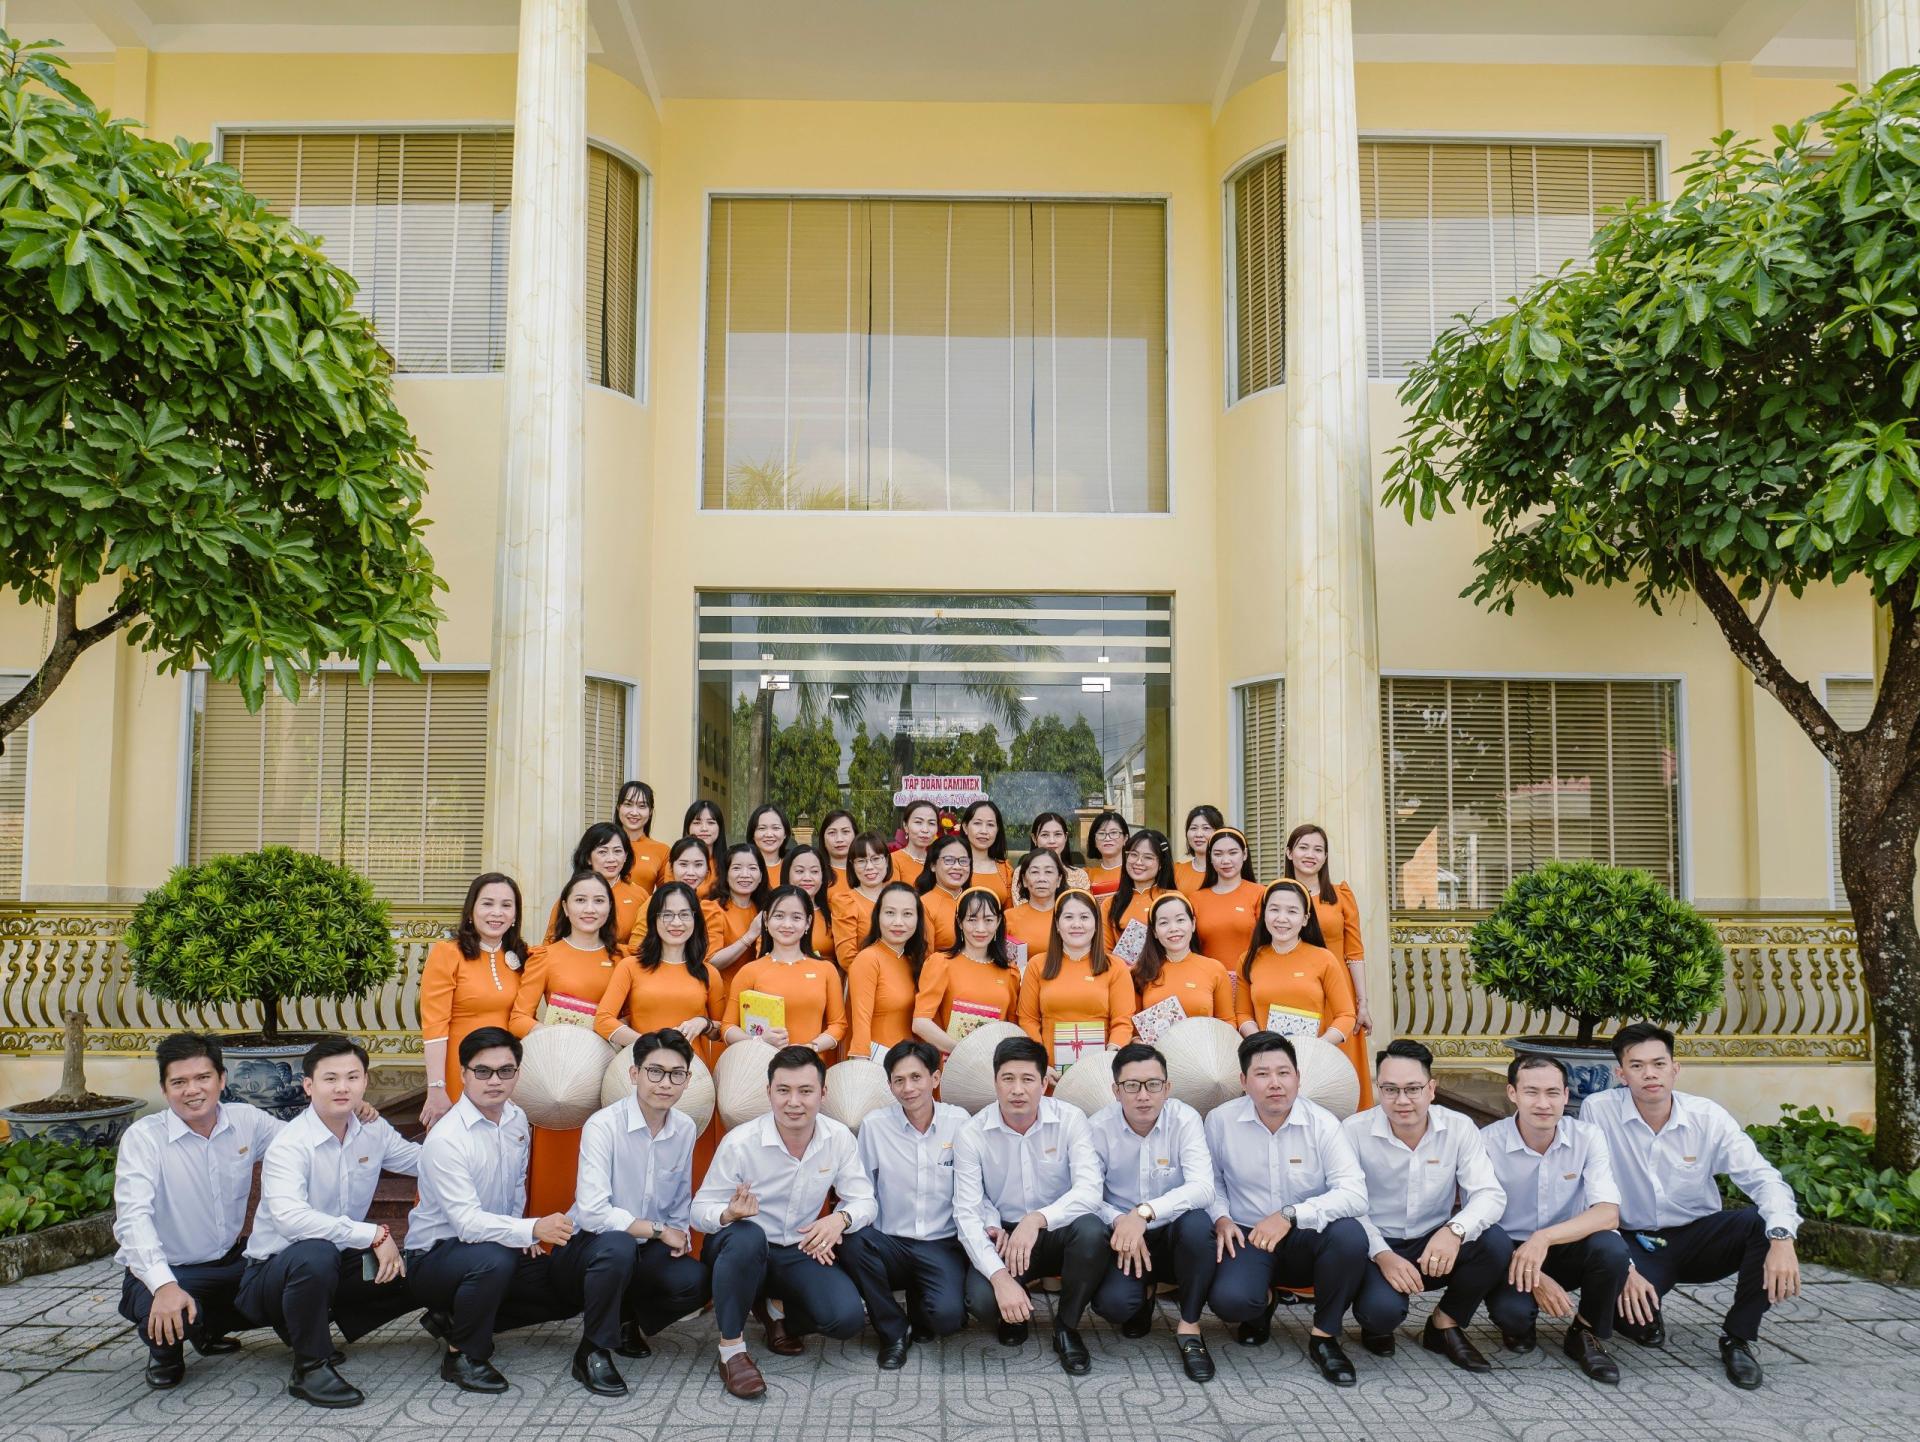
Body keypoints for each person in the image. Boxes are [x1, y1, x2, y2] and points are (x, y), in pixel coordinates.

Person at [1584, 1022, 1803, 1390]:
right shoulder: (1599, 1110)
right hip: (1637, 1240)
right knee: (1633, 1322)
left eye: (1658, 1064)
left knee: (1762, 1223)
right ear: (1621, 1074)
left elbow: (1764, 1179)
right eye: (1637, 1066)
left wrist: (1782, 1239)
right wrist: (1626, 1268)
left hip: (1700, 1238)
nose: (1649, 1074)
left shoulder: (1707, 1116)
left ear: (1675, 1068)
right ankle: (1647, 1311)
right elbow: (1593, 1193)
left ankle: (1738, 1338)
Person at [237, 1037, 423, 1408]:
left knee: (417, 1268)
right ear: (309, 1086)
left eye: (352, 1077)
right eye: (330, 1079)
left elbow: (425, 1163)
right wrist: (373, 1233)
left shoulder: (372, 1130)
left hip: (335, 1263)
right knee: (315, 1253)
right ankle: (310, 1368)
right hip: (273, 1274)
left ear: (365, 1082)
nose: (342, 1088)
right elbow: (291, 1220)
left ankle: (312, 1326)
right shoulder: (290, 1144)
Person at [690, 1045, 878, 1400]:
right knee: (746, 1236)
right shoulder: (741, 1142)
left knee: (846, 1319)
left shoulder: (838, 1137)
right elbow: (699, 1211)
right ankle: (731, 1351)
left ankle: (775, 1313)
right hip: (741, 1249)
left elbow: (865, 1200)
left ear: (823, 1093)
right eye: (783, 1090)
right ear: (769, 1092)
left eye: (805, 1091)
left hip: (797, 1248)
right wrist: (729, 1214)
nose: (794, 1102)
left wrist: (840, 1218)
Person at [403, 1027, 576, 1394]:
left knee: (565, 1286)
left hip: (493, 1244)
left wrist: (522, 1234)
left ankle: (454, 1319)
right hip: (434, 1257)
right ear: (463, 1074)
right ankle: (464, 1355)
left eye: (505, 1071)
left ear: (517, 1073)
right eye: (482, 1071)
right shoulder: (447, 1138)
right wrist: (530, 1229)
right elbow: (467, 1225)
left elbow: (515, 1187)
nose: (495, 1080)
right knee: (492, 1260)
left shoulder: (516, 1119)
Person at [113, 1033, 284, 1390]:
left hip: (231, 1261)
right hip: (172, 1268)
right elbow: (132, 1219)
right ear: (164, 1089)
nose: (192, 1090)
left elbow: (302, 1141)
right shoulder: (144, 1138)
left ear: (221, 1079)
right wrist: (163, 1285)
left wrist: (350, 1111)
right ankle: (166, 1353)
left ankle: (209, 1328)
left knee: (295, 1281)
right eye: (179, 1082)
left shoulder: (246, 1120)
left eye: (203, 1077)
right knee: (168, 1311)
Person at [1205, 1031, 1370, 1387]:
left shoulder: (1323, 1123)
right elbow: (1212, 1181)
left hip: (1307, 1234)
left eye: (1284, 1073)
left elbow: (1355, 1194)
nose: (1275, 1083)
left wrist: (1290, 1215)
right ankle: (1262, 1303)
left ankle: (1325, 1336)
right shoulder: (1220, 1121)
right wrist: (1220, 1216)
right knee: (1230, 1302)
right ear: (1244, 1081)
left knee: (1350, 1236)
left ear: (1298, 1077)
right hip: (1248, 1234)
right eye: (1262, 1074)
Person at [1344, 1039, 1512, 1373]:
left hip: (1433, 1245)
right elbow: (1347, 1201)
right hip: (1377, 1244)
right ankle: (1377, 1324)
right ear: (1379, 1089)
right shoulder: (1353, 1131)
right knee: (1380, 1314)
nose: (1402, 1100)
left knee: (1495, 1243)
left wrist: (1454, 1230)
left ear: (1431, 1089)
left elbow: (1489, 1194)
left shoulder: (1459, 1127)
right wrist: (1382, 1254)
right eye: (1390, 1089)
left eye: (1413, 1089)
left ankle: (1444, 1324)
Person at [953, 1036, 1109, 1375]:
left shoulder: (1070, 1119)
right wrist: (1000, 1279)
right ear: (995, 1082)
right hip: (1006, 1236)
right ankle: (1015, 1310)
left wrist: (1037, 1219)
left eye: (1027, 1079)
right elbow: (966, 1211)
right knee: (982, 1300)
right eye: (1008, 1079)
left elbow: (1090, 1191)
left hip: (1059, 1228)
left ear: (1044, 1083)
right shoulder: (972, 1132)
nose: (1017, 1090)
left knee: (1092, 1230)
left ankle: (1066, 1327)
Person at [566, 1030, 713, 1386]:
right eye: (655, 1071)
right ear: (635, 1074)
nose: (665, 1083)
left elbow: (679, 1194)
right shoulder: (603, 1125)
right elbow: (592, 1212)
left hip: (646, 1244)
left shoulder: (684, 1128)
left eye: (676, 1074)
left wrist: (679, 1233)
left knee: (695, 1282)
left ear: (687, 1080)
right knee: (618, 1246)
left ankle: (625, 1319)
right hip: (593, 1244)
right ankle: (592, 1349)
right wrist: (659, 1230)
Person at [1479, 1054, 1627, 1383]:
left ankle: (1586, 1332)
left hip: (1567, 1242)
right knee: (1514, 1318)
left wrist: (1543, 1238)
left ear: (1565, 1095)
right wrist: (1536, 1277)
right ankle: (1519, 1322)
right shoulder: (1486, 1143)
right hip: (1510, 1252)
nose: (1543, 1103)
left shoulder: (1588, 1137)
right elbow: (1480, 1224)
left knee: (1611, 1249)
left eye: (1553, 1093)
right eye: (1531, 1092)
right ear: (1513, 1093)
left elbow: (1608, 1213)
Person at [1086, 1043, 1219, 1382]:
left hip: (1173, 1230)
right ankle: (1143, 1294)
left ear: (1167, 1087)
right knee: (1113, 1306)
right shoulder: (1098, 1128)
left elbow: (1203, 1188)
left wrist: (1144, 1213)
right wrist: (1121, 1219)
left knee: (1197, 1224)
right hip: (1124, 1235)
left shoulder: (1185, 1119)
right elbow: (1086, 1194)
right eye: (1132, 1085)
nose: (1143, 1095)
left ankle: (1189, 1327)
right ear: (1116, 1090)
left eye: (1153, 1084)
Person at [840, 1040, 973, 1369]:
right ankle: (894, 1330)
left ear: (935, 1078)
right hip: (891, 1242)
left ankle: (921, 1298)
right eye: (898, 1080)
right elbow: (862, 1190)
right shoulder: (875, 1125)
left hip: (941, 1242)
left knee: (948, 1319)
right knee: (851, 1239)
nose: (908, 1088)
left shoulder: (959, 1122)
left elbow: (973, 1191)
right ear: (889, 1085)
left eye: (916, 1077)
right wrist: (841, 1219)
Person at [509, 869, 623, 1216]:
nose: (590, 909)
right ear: (565, 907)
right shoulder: (546, 955)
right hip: (557, 1079)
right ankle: (545, 1239)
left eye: (599, 901)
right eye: (581, 900)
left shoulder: (623, 959)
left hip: (605, 1072)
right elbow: (519, 1017)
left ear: (609, 908)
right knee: (558, 1166)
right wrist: (553, 1036)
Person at [418, 872, 526, 1128]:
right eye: (487, 903)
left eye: (506, 905)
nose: (497, 913)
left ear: (515, 916)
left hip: (505, 1071)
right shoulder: (448, 953)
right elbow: (434, 1026)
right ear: (471, 910)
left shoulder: (524, 956)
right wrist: (436, 1087)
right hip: (461, 1068)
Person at [1232, 881, 1359, 1094]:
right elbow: (1243, 1014)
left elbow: (1346, 1015)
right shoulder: (1248, 960)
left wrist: (1317, 1048)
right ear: (1264, 914)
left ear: (1305, 919)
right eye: (1274, 909)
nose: (1282, 918)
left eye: (1292, 911)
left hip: (1312, 1066)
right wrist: (1263, 1044)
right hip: (1264, 1065)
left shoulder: (1324, 959)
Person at [1285, 823, 1374, 1107]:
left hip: (1338, 996)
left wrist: (1362, 1003)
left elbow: (1354, 953)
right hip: (1295, 992)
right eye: (1303, 847)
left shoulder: (1340, 896)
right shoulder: (1275, 896)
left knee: (1342, 1067)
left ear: (1325, 857)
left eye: (1318, 849)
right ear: (1289, 853)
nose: (1310, 855)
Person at [592, 882, 726, 1052]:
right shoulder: (630, 966)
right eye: (667, 915)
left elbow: (722, 1031)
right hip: (644, 1063)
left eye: (684, 914)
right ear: (653, 919)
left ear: (695, 920)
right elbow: (603, 1020)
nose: (676, 922)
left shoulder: (709, 973)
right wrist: (652, 1045)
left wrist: (704, 1023)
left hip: (693, 1065)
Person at [1018, 889, 1136, 1078]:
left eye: (1084, 917)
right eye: (1068, 917)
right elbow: (1027, 1019)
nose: (1076, 924)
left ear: (1096, 924)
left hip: (1101, 1072)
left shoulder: (1115, 967)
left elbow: (1122, 1021)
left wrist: (1110, 1058)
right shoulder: (1037, 965)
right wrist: (1040, 1064)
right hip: (1049, 1073)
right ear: (1057, 924)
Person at [722, 886, 847, 1058]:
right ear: (766, 919)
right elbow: (727, 1027)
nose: (787, 924)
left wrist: (810, 1048)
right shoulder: (749, 971)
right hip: (762, 1066)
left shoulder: (825, 969)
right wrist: (759, 1040)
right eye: (779, 916)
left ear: (808, 922)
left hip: (809, 1066)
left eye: (796, 917)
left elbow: (838, 1025)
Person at [912, 888, 1021, 1052]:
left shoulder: (1010, 971)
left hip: (992, 1062)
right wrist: (963, 1052)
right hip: (948, 1061)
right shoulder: (941, 963)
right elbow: (920, 1023)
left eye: (988, 920)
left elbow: (1012, 1027)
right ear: (960, 922)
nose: (980, 928)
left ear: (998, 922)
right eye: (972, 919)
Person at [847, 882, 927, 1062]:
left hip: (908, 1062)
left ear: (918, 919)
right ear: (877, 916)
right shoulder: (868, 959)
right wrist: (862, 1065)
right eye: (890, 913)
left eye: (907, 914)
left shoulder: (913, 961)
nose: (898, 922)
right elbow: (861, 1020)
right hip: (877, 1061)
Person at [1131, 893, 1234, 1021]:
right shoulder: (1140, 971)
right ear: (1154, 932)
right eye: (1163, 923)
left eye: (1180, 920)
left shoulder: (1215, 969)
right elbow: (1134, 1025)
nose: (1173, 928)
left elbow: (1228, 1021)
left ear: (1193, 924)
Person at [546, 823, 646, 954]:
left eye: (617, 851)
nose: (611, 859)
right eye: (602, 852)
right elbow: (551, 943)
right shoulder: (573, 895)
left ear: (626, 855)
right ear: (588, 857)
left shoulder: (640, 895)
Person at [1189, 827, 1263, 964]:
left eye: (1233, 853)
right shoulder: (1195, 899)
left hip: (1250, 973)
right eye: (1218, 854)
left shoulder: (1260, 894)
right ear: (1210, 857)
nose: (1225, 860)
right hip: (1209, 975)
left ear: (1244, 854)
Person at [1102, 828, 1178, 952]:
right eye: (1133, 855)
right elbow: (1105, 951)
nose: (1138, 862)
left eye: (1148, 857)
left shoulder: (1174, 899)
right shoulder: (1110, 904)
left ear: (1161, 864)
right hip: (1121, 965)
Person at [704, 842, 770, 975]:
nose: (745, 874)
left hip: (759, 986)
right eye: (737, 868)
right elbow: (710, 962)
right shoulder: (713, 909)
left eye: (752, 868)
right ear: (726, 875)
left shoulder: (766, 909)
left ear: (761, 876)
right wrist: (750, 936)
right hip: (724, 987)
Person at [830, 831, 894, 965]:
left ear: (887, 860)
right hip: (864, 974)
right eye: (861, 861)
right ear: (852, 865)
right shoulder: (845, 902)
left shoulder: (900, 897)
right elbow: (847, 957)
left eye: (876, 859)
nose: (869, 867)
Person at [914, 832, 974, 951]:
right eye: (949, 860)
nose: (957, 867)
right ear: (933, 865)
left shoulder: (978, 901)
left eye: (963, 861)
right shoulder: (923, 905)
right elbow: (925, 957)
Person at [1005, 846, 1063, 967]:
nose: (1041, 879)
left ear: (1059, 880)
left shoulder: (1070, 918)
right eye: (1035, 872)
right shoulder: (1008, 917)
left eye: (1048, 872)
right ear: (1024, 880)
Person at [781, 844, 838, 961]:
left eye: (814, 871)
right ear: (787, 874)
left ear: (822, 876)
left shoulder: (834, 911)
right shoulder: (774, 911)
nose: (807, 877)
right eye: (799, 871)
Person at [616, 781, 671, 892]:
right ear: (618, 807)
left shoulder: (662, 850)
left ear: (650, 812)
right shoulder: (601, 844)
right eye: (628, 804)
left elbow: (666, 894)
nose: (634, 812)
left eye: (642, 806)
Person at [958, 798, 1015, 903]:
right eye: (977, 823)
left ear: (997, 830)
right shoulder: (952, 866)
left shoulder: (1005, 869)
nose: (984, 831)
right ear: (965, 827)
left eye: (990, 825)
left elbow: (1010, 910)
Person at [1028, 811, 1092, 890]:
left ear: (1065, 837)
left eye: (1057, 834)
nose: (1052, 841)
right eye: (1045, 835)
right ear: (1034, 838)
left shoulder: (1079, 876)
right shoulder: (1023, 873)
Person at [1176, 805, 1223, 895]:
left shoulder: (1227, 869)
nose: (1198, 834)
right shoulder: (1176, 871)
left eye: (1206, 828)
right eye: (1193, 828)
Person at [892, 799, 941, 886]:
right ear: (905, 826)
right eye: (918, 822)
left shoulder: (938, 861)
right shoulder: (893, 860)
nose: (925, 830)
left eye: (931, 823)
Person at [1084, 810, 1130, 894]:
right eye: (1101, 833)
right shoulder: (1085, 876)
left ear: (1125, 839)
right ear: (1094, 841)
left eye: (1114, 833)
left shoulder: (1135, 872)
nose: (1107, 838)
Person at [745, 803, 793, 878]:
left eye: (776, 828)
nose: (769, 834)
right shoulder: (742, 869)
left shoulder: (794, 867)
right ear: (753, 834)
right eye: (762, 828)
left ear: (785, 833)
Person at [817, 808, 858, 886]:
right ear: (823, 838)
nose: (839, 839)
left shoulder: (870, 872)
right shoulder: (816, 875)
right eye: (832, 832)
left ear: (855, 835)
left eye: (845, 831)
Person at [682, 799, 728, 869]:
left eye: (711, 823)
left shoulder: (729, 864)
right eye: (697, 823)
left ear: (720, 828)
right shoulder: (675, 863)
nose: (704, 828)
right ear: (688, 827)